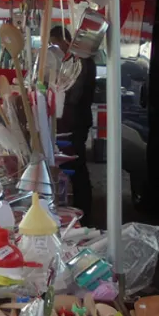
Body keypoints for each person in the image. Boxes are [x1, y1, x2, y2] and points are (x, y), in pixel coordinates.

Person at [51, 25, 96, 216]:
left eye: (55, 43)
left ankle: (84, 208)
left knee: (77, 163)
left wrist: (60, 94)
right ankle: (81, 205)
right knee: (75, 163)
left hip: (77, 119)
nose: (56, 48)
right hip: (76, 118)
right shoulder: (73, 60)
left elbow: (74, 95)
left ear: (63, 40)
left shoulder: (81, 61)